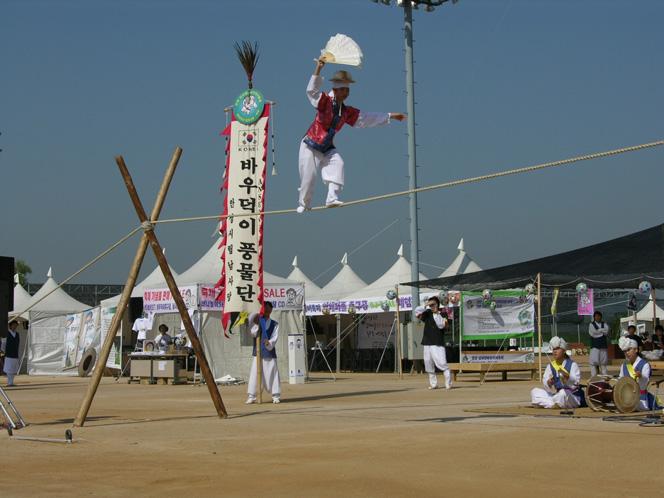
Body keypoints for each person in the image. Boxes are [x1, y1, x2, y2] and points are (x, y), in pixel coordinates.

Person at [296, 58, 407, 213]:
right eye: (343, 89)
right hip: (311, 144)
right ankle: (304, 203)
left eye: (347, 90)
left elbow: (367, 118)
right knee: (309, 177)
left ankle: (331, 198)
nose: (346, 93)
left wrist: (391, 116)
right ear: (335, 90)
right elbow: (312, 92)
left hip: (327, 146)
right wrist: (318, 69)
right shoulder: (325, 102)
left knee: (338, 164)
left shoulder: (347, 112)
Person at [531, 337, 585, 409]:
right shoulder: (551, 366)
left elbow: (575, 384)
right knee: (535, 392)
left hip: (572, 396)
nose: (555, 351)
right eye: (553, 349)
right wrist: (549, 382)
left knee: (563, 394)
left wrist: (567, 378)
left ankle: (551, 404)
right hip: (557, 395)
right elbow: (546, 383)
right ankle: (556, 404)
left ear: (564, 350)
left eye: (557, 349)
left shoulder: (572, 365)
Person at [246, 301, 281, 404]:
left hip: (269, 352)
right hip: (257, 351)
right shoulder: (257, 320)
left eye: (269, 309)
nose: (267, 310)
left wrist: (269, 342)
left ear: (271, 310)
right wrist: (256, 324)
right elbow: (253, 333)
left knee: (272, 373)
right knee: (254, 374)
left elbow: (275, 337)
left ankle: (276, 395)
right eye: (265, 308)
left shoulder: (275, 324)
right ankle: (252, 396)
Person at [415, 296, 452, 390]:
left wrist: (436, 313)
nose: (431, 306)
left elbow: (441, 325)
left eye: (433, 304)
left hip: (437, 342)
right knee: (428, 363)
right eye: (430, 305)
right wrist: (425, 305)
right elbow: (417, 314)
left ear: (437, 304)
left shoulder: (443, 313)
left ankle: (448, 383)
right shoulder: (427, 313)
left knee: (442, 363)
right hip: (427, 342)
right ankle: (433, 384)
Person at [618, 336, 660, 411]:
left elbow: (645, 382)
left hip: (640, 399)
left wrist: (641, 376)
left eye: (628, 350)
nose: (626, 353)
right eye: (624, 351)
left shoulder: (644, 364)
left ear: (636, 350)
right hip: (626, 397)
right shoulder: (624, 365)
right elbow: (620, 381)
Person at [588, 311, 610, 376]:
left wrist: (599, 331)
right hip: (595, 346)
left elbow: (607, 331)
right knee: (593, 362)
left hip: (603, 345)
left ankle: (605, 377)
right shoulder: (591, 324)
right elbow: (593, 333)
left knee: (603, 363)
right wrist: (601, 331)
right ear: (594, 317)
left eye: (599, 316)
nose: (597, 317)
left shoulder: (604, 324)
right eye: (596, 316)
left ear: (601, 317)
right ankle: (594, 377)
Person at [1, 320, 21, 387]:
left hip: (15, 354)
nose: (15, 326)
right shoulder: (7, 333)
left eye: (16, 325)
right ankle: (9, 383)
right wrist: (3, 351)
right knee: (9, 369)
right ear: (10, 325)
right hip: (9, 354)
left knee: (13, 369)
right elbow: (3, 343)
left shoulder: (17, 334)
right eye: (13, 325)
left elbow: (17, 344)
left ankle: (11, 382)